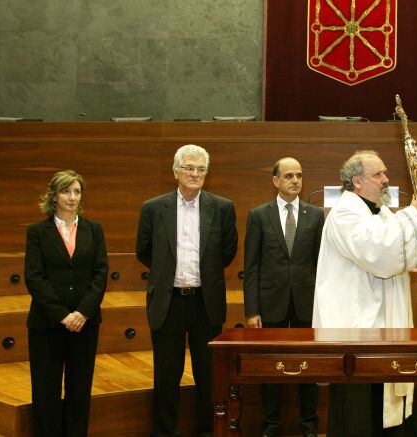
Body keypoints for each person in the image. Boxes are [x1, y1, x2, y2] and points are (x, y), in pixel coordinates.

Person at [312, 150, 417, 437]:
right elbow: (378, 254)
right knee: (360, 408)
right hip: (357, 328)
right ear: (357, 181)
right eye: (378, 174)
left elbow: (401, 252)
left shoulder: (380, 212)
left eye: (385, 173)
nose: (386, 179)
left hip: (382, 325)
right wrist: (411, 214)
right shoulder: (344, 213)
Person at [136, 144, 238, 437]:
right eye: (189, 168)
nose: (195, 174)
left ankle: (207, 431)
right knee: (167, 374)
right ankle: (164, 431)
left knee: (208, 374)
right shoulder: (154, 208)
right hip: (168, 302)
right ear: (176, 171)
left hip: (205, 303)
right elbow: (144, 250)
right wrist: (167, 270)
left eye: (201, 169)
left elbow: (227, 252)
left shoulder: (221, 207)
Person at [24, 170, 109, 437]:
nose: (72, 197)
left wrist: (82, 312)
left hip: (85, 324)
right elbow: (34, 277)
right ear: (54, 195)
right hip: (47, 324)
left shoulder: (94, 229)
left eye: (77, 191)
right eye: (66, 191)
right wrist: (63, 315)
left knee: (79, 390)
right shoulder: (37, 231)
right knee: (46, 391)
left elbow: (100, 273)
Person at [244, 157, 324, 437]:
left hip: (306, 304)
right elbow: (251, 266)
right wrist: (252, 310)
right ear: (276, 181)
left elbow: (321, 265)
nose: (295, 181)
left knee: (310, 367)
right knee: (270, 367)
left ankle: (309, 426)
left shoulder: (315, 215)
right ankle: (271, 425)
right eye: (289, 176)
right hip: (270, 304)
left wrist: (321, 307)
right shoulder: (258, 215)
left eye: (299, 175)